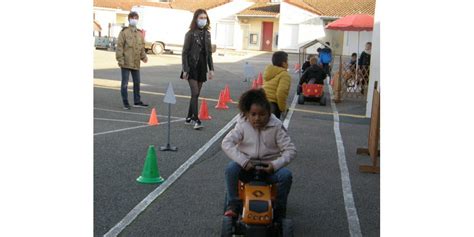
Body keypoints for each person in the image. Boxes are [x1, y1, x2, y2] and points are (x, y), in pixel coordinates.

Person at [221, 89, 296, 222]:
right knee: (231, 169)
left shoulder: (276, 126)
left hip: (268, 169)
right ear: (247, 114)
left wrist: (274, 165)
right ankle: (234, 203)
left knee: (286, 175)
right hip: (247, 167)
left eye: (262, 114)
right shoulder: (243, 124)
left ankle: (279, 208)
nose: (257, 118)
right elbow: (226, 143)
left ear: (269, 113)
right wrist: (243, 161)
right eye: (253, 114)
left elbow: (290, 150)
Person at [181, 9, 215, 130]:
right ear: (196, 19)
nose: (203, 20)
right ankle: (196, 119)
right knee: (195, 93)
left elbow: (209, 53)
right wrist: (185, 69)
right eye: (201, 18)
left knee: (196, 94)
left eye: (205, 18)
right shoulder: (190, 34)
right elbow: (184, 53)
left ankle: (189, 117)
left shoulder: (207, 34)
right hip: (191, 66)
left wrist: (211, 69)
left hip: (202, 66)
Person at [116, 11, 149, 110]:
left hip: (135, 62)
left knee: (137, 82)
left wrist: (144, 57)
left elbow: (141, 48)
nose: (134, 20)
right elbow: (119, 47)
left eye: (136, 18)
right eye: (132, 18)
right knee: (125, 84)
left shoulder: (139, 33)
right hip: (126, 62)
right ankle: (125, 103)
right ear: (129, 19)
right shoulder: (124, 32)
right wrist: (120, 59)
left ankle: (137, 101)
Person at [262, 51, 291, 119]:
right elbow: (281, 93)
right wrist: (283, 109)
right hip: (272, 106)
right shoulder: (285, 75)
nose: (288, 64)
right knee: (271, 128)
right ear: (284, 64)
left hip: (261, 101)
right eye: (287, 61)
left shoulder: (269, 72)